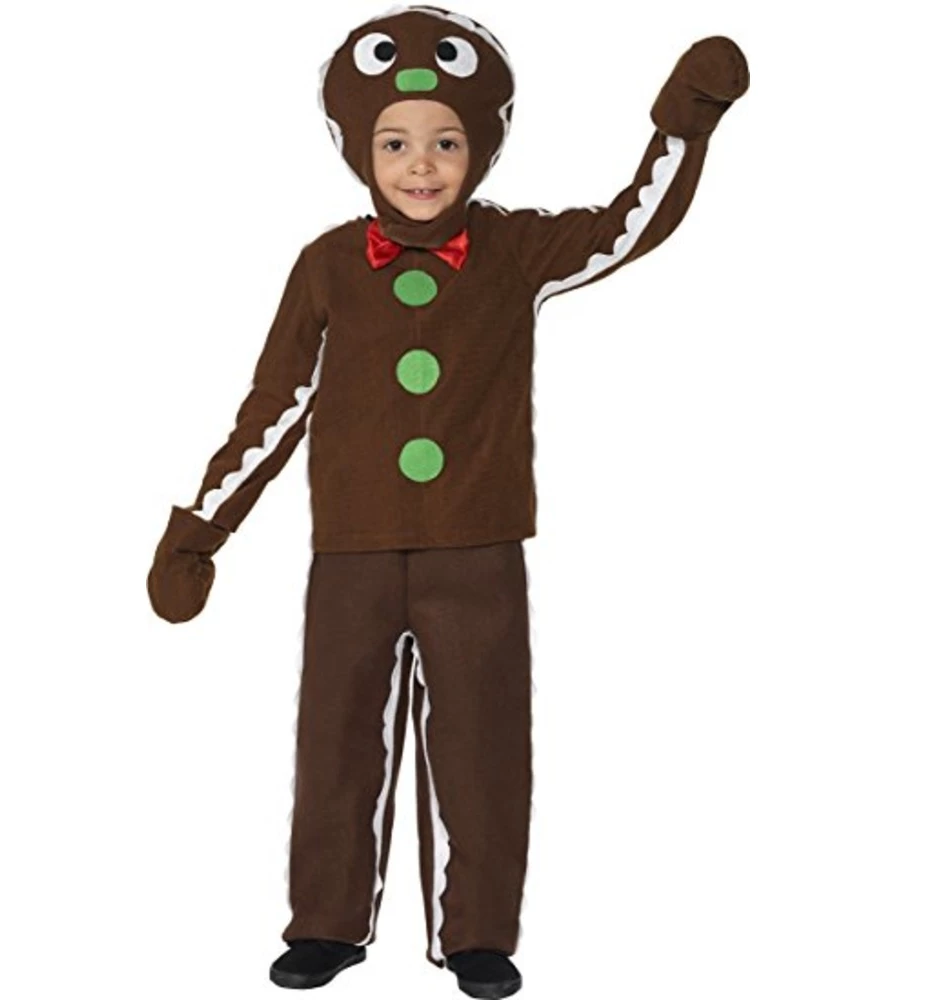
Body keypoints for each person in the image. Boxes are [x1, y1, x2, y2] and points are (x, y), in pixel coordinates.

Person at [146, 6, 749, 998]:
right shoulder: (327, 264)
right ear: (356, 147)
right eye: (394, 142)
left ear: (483, 146)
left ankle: (478, 936)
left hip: (480, 548)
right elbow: (276, 405)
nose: (420, 165)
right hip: (351, 552)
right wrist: (202, 529)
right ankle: (326, 924)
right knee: (335, 741)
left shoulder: (514, 250)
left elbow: (627, 227)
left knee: (482, 747)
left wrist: (683, 125)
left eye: (446, 142)